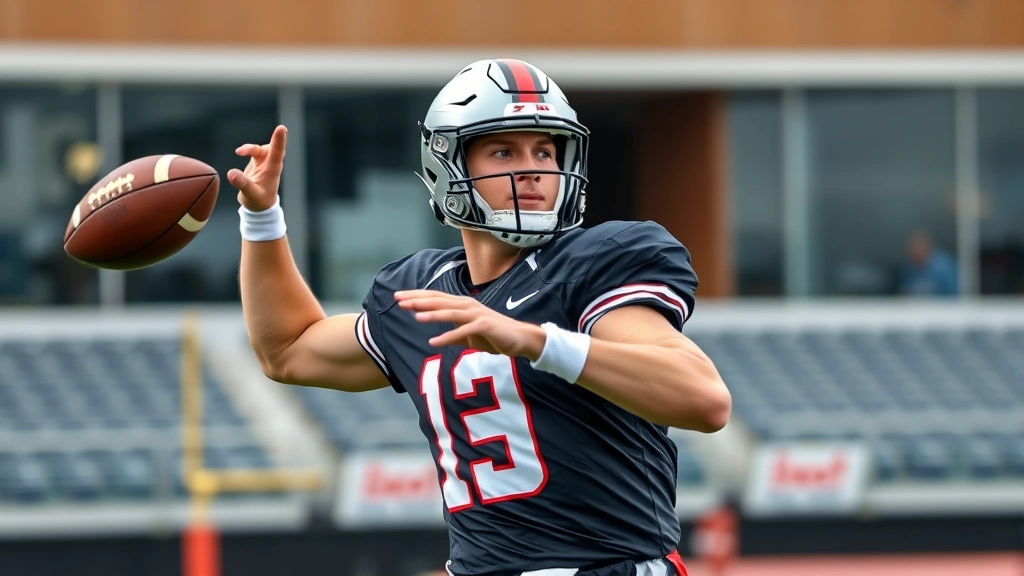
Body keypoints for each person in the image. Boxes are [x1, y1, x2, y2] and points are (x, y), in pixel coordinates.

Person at [229, 58, 731, 576]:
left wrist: (534, 341)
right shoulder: (422, 291)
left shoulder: (590, 265)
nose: (534, 167)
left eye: (545, 149)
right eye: (503, 150)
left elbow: (704, 398)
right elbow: (287, 350)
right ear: (447, 165)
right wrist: (262, 218)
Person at [899, 230, 958, 296]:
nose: (915, 251)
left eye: (919, 245)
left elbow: (953, 295)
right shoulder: (908, 268)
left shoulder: (944, 267)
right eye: (912, 247)